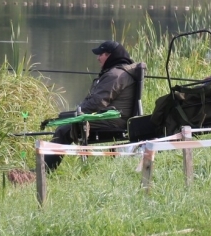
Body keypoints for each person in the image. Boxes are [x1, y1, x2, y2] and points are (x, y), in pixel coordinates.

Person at [44, 40, 141, 171]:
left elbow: (97, 103)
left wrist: (75, 114)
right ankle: (46, 168)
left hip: (114, 121)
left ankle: (44, 170)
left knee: (64, 129)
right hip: (117, 118)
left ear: (109, 55)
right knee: (65, 125)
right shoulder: (122, 71)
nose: (98, 58)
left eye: (100, 54)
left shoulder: (115, 75)